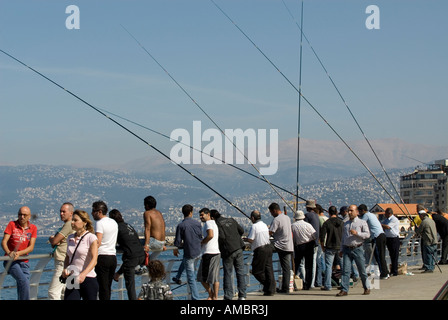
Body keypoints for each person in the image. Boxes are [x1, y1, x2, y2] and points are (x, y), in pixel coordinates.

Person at [1, 206, 37, 300]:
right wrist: (9, 252)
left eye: (24, 215)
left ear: (29, 216)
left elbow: (31, 247)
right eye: (20, 214)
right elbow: (4, 242)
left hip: (24, 262)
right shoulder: (11, 225)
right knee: (23, 281)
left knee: (23, 284)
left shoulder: (33, 228)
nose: (22, 217)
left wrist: (19, 253)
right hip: (11, 261)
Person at [62, 210, 99, 300]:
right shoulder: (70, 238)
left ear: (84, 222)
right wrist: (65, 269)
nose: (72, 222)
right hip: (73, 277)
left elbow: (94, 260)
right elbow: (67, 257)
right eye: (72, 220)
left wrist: (83, 274)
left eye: (75, 220)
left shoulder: (91, 237)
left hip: (88, 278)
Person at [110, 209, 146, 300]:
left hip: (131, 256)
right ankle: (117, 274)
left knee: (130, 285)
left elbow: (112, 240)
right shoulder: (128, 225)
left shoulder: (116, 227)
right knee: (128, 264)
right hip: (141, 254)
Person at [210, 209, 246, 300]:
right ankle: (242, 295)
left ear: (212, 217)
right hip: (238, 247)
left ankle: (228, 296)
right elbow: (241, 230)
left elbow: (221, 237)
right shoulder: (232, 220)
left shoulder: (217, 224)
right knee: (240, 272)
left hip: (228, 251)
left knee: (228, 273)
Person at [337, 205, 371, 297]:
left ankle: (366, 287)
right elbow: (343, 238)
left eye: (351, 211)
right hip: (347, 249)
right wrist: (341, 249)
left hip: (357, 248)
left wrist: (357, 233)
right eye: (349, 211)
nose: (350, 213)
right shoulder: (346, 223)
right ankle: (344, 289)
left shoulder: (362, 222)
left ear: (357, 212)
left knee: (361, 269)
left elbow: (367, 234)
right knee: (346, 270)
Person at [173, 204, 203, 300]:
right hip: (198, 251)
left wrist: (177, 247)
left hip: (189, 253)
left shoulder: (181, 225)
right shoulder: (198, 224)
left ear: (183, 213)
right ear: (191, 212)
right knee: (185, 261)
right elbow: (199, 237)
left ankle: (196, 298)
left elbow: (177, 241)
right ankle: (178, 277)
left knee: (191, 278)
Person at [48, 202, 75, 300]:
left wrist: (52, 238)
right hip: (70, 262)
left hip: (62, 262)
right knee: (65, 292)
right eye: (60, 211)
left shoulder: (68, 224)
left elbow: (55, 241)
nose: (61, 214)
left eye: (64, 211)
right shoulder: (74, 224)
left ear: (71, 213)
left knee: (53, 292)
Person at [91, 200, 118, 300]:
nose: (92, 214)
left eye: (93, 211)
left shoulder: (99, 223)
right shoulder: (113, 222)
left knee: (102, 287)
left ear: (99, 211)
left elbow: (98, 242)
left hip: (102, 257)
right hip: (112, 257)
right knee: (107, 287)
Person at [245, 210, 275, 296]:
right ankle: (271, 289)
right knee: (268, 269)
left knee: (256, 271)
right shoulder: (264, 225)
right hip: (268, 247)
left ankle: (267, 286)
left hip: (260, 249)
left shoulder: (254, 226)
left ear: (253, 218)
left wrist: (246, 239)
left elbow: (251, 239)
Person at [358, 204, 389, 279]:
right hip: (382, 235)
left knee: (379, 256)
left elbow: (360, 224)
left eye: (359, 211)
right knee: (382, 255)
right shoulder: (372, 215)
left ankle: (383, 273)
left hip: (377, 236)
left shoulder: (366, 215)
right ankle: (385, 272)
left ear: (362, 210)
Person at [268, 202, 294, 293]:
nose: (271, 214)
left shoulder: (276, 220)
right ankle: (285, 288)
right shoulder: (287, 218)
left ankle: (270, 284)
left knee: (265, 252)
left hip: (279, 245)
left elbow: (270, 232)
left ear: (274, 211)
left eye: (271, 212)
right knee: (286, 268)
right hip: (289, 245)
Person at [197, 208, 221, 300]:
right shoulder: (214, 223)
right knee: (215, 277)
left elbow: (210, 235)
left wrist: (202, 242)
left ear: (208, 214)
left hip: (209, 253)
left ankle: (211, 294)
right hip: (216, 252)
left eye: (202, 215)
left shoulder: (208, 223)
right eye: (200, 215)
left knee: (201, 277)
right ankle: (215, 297)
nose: (201, 217)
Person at [291, 210, 317, 290]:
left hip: (298, 246)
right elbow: (314, 235)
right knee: (309, 266)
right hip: (309, 245)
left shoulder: (293, 226)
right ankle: (308, 284)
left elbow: (292, 237)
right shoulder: (308, 225)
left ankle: (293, 282)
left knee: (296, 265)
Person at [320, 206, 343, 290]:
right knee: (343, 266)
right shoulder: (341, 222)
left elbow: (322, 237)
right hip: (340, 246)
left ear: (329, 213)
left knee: (328, 266)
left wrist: (323, 247)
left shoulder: (326, 223)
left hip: (330, 246)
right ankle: (344, 284)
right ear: (336, 212)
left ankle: (328, 285)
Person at [143, 196, 166, 260]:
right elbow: (163, 227)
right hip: (162, 243)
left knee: (135, 244)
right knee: (151, 259)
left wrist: (146, 245)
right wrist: (163, 244)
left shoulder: (147, 213)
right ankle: (148, 267)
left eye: (144, 205)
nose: (144, 207)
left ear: (147, 205)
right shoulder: (159, 213)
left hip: (154, 242)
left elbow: (147, 229)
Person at [304, 200, 320, 288]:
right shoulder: (316, 216)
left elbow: (305, 227)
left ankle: (310, 282)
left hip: (310, 242)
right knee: (314, 262)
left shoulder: (307, 215)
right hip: (316, 242)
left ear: (308, 207)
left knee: (309, 264)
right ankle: (313, 282)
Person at [381, 207, 401, 276]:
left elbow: (388, 227)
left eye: (385, 213)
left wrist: (380, 225)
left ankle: (395, 271)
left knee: (394, 255)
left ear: (389, 213)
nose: (384, 215)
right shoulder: (386, 220)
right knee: (390, 254)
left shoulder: (394, 219)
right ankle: (391, 270)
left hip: (394, 238)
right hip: (388, 238)